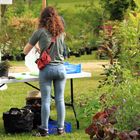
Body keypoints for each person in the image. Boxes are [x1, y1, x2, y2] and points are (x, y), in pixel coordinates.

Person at [24, 6, 66, 136]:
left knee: (46, 100)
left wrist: (37, 46)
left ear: (42, 18)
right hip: (61, 69)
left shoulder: (40, 32)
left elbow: (25, 51)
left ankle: (44, 130)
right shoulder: (61, 33)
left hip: (47, 70)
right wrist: (40, 47)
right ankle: (61, 129)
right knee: (60, 99)